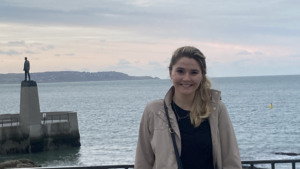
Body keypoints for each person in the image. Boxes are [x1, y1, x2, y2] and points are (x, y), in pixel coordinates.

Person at [135, 46, 242, 169]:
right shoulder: (153, 111)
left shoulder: (216, 109)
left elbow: (231, 160)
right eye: (180, 71)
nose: (186, 78)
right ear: (170, 73)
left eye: (194, 72)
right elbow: (143, 161)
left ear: (202, 75)